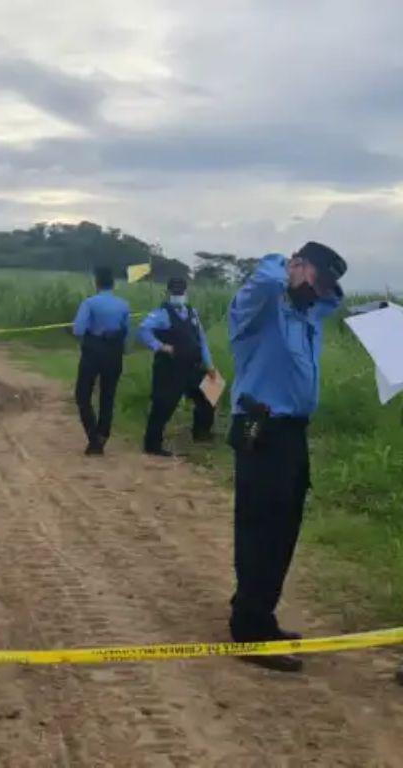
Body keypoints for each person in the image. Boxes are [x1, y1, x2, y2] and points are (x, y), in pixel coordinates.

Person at [227, 241, 347, 673]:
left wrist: (316, 284)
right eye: (319, 277)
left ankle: (262, 614)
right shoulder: (261, 310)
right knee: (259, 528)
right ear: (296, 266)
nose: (323, 290)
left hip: (292, 434)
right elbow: (263, 279)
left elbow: (332, 300)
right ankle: (248, 630)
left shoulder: (308, 315)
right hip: (262, 428)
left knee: (283, 530)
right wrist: (288, 269)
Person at [138, 277, 218, 457]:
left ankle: (201, 433)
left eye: (181, 292)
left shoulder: (192, 313)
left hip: (194, 365)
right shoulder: (161, 313)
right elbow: (143, 330)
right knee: (163, 404)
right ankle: (152, 444)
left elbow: (201, 339)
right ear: (168, 293)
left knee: (211, 393)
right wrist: (160, 346)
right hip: (170, 368)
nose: (178, 295)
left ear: (186, 292)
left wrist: (209, 364)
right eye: (175, 292)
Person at [72, 267, 131, 455]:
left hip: (93, 351)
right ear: (113, 285)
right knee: (108, 395)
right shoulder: (124, 305)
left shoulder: (89, 303)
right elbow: (126, 331)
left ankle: (93, 436)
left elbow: (78, 330)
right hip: (114, 352)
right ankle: (103, 434)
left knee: (83, 395)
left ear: (96, 283)